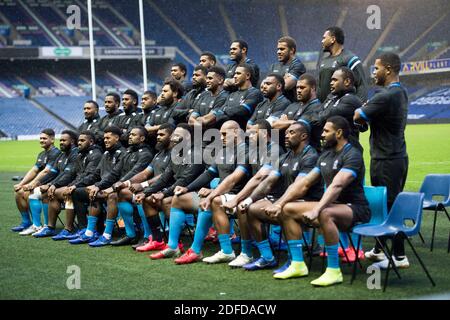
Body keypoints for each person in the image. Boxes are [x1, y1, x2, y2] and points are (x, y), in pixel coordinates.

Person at [265, 116, 370, 286]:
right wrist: (280, 203)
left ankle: (334, 270)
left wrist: (317, 209)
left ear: (339, 133)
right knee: (288, 209)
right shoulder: (325, 155)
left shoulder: (352, 155)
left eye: (326, 131)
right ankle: (298, 264)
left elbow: (337, 185)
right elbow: (304, 183)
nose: (322, 135)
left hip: (355, 208)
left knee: (324, 213)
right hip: (331, 205)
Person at [157, 121, 250, 263]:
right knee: (179, 198)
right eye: (220, 135)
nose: (221, 138)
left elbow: (233, 180)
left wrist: (213, 192)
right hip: (222, 194)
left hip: (239, 196)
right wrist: (187, 188)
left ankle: (199, 250)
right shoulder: (224, 151)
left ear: (236, 132)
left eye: (225, 134)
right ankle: (173, 246)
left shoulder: (245, 151)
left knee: (209, 202)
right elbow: (209, 173)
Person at [354, 52, 410, 269]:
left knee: (390, 205)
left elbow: (358, 116)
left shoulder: (384, 96)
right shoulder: (401, 92)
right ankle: (378, 249)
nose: (373, 73)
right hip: (396, 157)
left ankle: (399, 256)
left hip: (386, 159)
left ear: (388, 69)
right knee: (388, 203)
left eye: (376, 68)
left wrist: (362, 108)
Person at [243, 122, 322, 270]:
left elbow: (299, 187)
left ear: (303, 136)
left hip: (308, 201)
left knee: (286, 209)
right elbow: (268, 182)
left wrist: (279, 203)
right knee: (251, 209)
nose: (286, 136)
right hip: (288, 200)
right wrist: (249, 199)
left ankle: (295, 261)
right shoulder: (286, 156)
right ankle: (267, 257)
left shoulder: (310, 156)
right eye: (286, 133)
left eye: (291, 133)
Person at [203, 120, 282, 265]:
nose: (249, 136)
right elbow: (235, 177)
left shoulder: (275, 150)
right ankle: (227, 251)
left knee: (243, 205)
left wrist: (239, 198)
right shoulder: (253, 152)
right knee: (217, 201)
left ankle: (247, 253)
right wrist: (212, 194)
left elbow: (260, 178)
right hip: (256, 196)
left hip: (273, 197)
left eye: (253, 133)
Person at [134, 124, 205, 257]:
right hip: (179, 191)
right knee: (148, 199)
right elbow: (165, 178)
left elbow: (185, 180)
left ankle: (175, 244)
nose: (173, 138)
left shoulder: (197, 153)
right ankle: (157, 240)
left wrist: (164, 193)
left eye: (178, 135)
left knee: (167, 201)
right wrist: (145, 192)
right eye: (173, 135)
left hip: (196, 192)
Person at [84, 127, 153, 247]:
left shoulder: (146, 154)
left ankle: (108, 234)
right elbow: (115, 172)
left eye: (133, 135)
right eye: (130, 134)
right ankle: (128, 234)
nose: (130, 136)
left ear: (142, 138)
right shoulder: (128, 152)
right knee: (94, 192)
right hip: (123, 187)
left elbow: (134, 173)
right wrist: (98, 186)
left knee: (113, 195)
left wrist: (116, 186)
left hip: (141, 189)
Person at [108, 123, 174, 249]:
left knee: (141, 196)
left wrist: (143, 185)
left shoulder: (175, 154)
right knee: (122, 193)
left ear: (171, 137)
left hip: (167, 189)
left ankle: (148, 235)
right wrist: (126, 183)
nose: (158, 137)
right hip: (153, 188)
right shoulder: (158, 154)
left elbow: (165, 176)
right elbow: (145, 173)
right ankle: (130, 234)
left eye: (161, 135)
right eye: (157, 134)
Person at [33, 130, 102, 238]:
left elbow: (90, 176)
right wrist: (53, 184)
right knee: (51, 192)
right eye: (79, 140)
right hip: (80, 185)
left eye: (82, 140)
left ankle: (70, 228)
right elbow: (76, 175)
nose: (80, 143)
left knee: (68, 192)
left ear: (91, 142)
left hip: (91, 186)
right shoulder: (79, 154)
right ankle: (49, 227)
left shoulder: (94, 155)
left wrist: (72, 186)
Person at [67, 126, 126, 244]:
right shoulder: (106, 154)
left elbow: (114, 175)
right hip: (103, 186)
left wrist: (98, 186)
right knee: (79, 192)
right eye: (104, 138)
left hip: (116, 188)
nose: (105, 140)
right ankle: (88, 231)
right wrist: (84, 185)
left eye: (108, 138)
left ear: (117, 138)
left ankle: (107, 234)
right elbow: (96, 174)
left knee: (103, 194)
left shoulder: (122, 154)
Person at [21, 130, 79, 236]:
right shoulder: (62, 155)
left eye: (64, 140)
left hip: (72, 185)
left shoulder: (75, 154)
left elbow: (68, 174)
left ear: (72, 141)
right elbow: (52, 173)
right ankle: (40, 226)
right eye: (60, 140)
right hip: (59, 185)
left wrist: (51, 185)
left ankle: (51, 226)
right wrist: (37, 182)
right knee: (34, 192)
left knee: (47, 192)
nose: (61, 142)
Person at [12, 129, 61, 232]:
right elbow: (34, 170)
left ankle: (37, 225)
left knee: (28, 193)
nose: (41, 140)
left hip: (52, 184)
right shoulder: (42, 154)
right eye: (40, 138)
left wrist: (32, 184)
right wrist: (21, 184)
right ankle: (26, 222)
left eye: (44, 138)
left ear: (52, 140)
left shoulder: (55, 153)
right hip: (40, 183)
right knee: (18, 192)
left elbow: (46, 171)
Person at [318, 67, 366, 149]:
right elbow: (317, 113)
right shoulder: (332, 97)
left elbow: (323, 117)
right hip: (333, 149)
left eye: (335, 80)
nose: (331, 83)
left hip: (348, 150)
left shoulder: (351, 100)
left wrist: (322, 113)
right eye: (331, 80)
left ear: (347, 82)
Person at [317, 26, 368, 103]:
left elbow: (361, 85)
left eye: (324, 38)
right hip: (324, 109)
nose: (322, 41)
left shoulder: (350, 59)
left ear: (333, 39)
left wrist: (358, 107)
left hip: (342, 109)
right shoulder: (324, 60)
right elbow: (320, 86)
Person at [272, 74, 322, 150]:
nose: (298, 91)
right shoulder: (292, 105)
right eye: (297, 88)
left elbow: (298, 129)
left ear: (312, 88)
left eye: (302, 88)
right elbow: (274, 125)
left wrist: (286, 122)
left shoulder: (317, 107)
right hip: (288, 152)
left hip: (307, 151)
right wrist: (291, 122)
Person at [210, 64, 263, 130]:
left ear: (247, 76)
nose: (234, 76)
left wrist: (225, 110)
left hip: (243, 135)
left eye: (238, 73)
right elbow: (219, 114)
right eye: (235, 73)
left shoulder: (255, 93)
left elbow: (241, 111)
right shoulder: (232, 94)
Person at [270, 36, 306, 102]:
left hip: (290, 105)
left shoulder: (298, 65)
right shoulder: (274, 66)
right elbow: (267, 85)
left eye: (282, 49)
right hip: (275, 104)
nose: (278, 52)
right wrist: (283, 79)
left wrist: (272, 84)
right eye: (278, 49)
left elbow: (286, 85)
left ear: (291, 50)